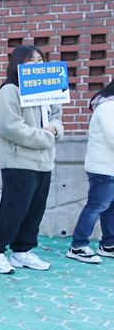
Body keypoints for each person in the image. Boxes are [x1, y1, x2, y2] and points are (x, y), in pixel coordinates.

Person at [0, 45, 63, 274]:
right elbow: (10, 127)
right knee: (14, 209)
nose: (36, 65)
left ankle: (22, 251)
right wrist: (46, 136)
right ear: (17, 65)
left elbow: (57, 116)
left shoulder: (46, 90)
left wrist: (55, 129)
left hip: (44, 162)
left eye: (40, 60)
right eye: (30, 61)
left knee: (35, 210)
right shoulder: (9, 91)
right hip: (19, 162)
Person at [66, 80, 114, 263]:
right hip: (104, 168)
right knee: (96, 206)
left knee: (109, 208)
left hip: (108, 167)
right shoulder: (108, 107)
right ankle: (78, 246)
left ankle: (109, 245)